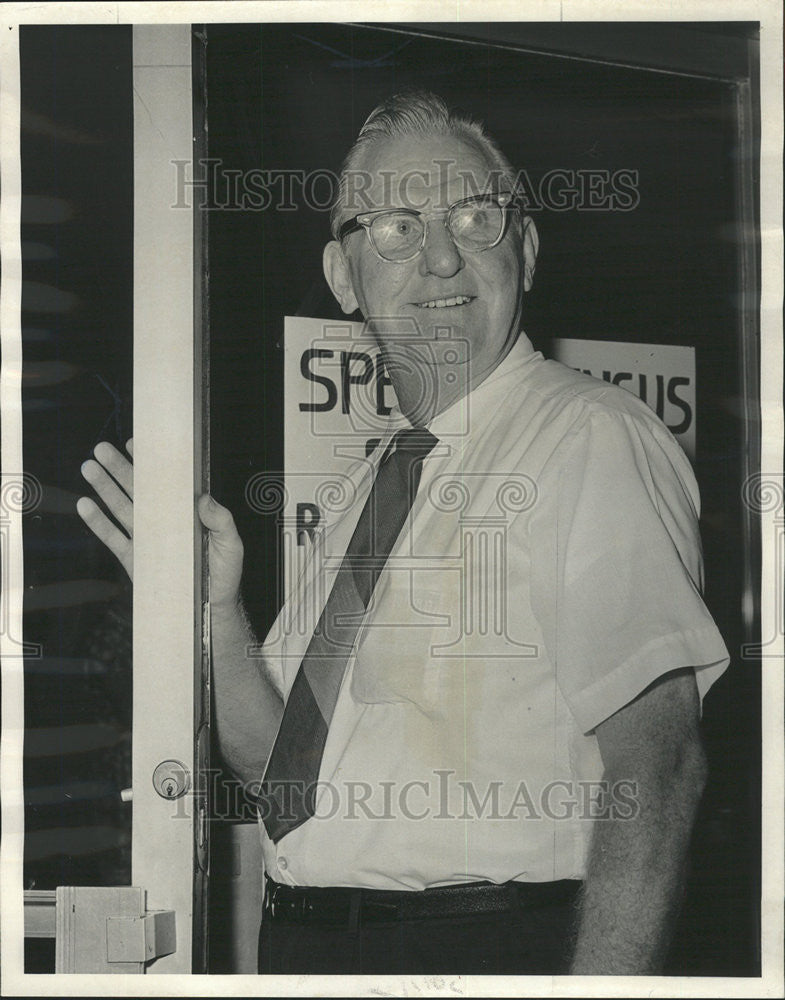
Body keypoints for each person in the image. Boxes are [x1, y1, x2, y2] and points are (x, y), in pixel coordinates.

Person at [78, 90, 730, 976]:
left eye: (473, 217)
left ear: (526, 251)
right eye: (394, 227)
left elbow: (657, 771)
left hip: (489, 948)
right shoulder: (366, 487)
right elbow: (284, 780)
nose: (439, 258)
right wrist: (213, 618)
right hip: (310, 948)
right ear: (344, 279)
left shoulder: (587, 436)